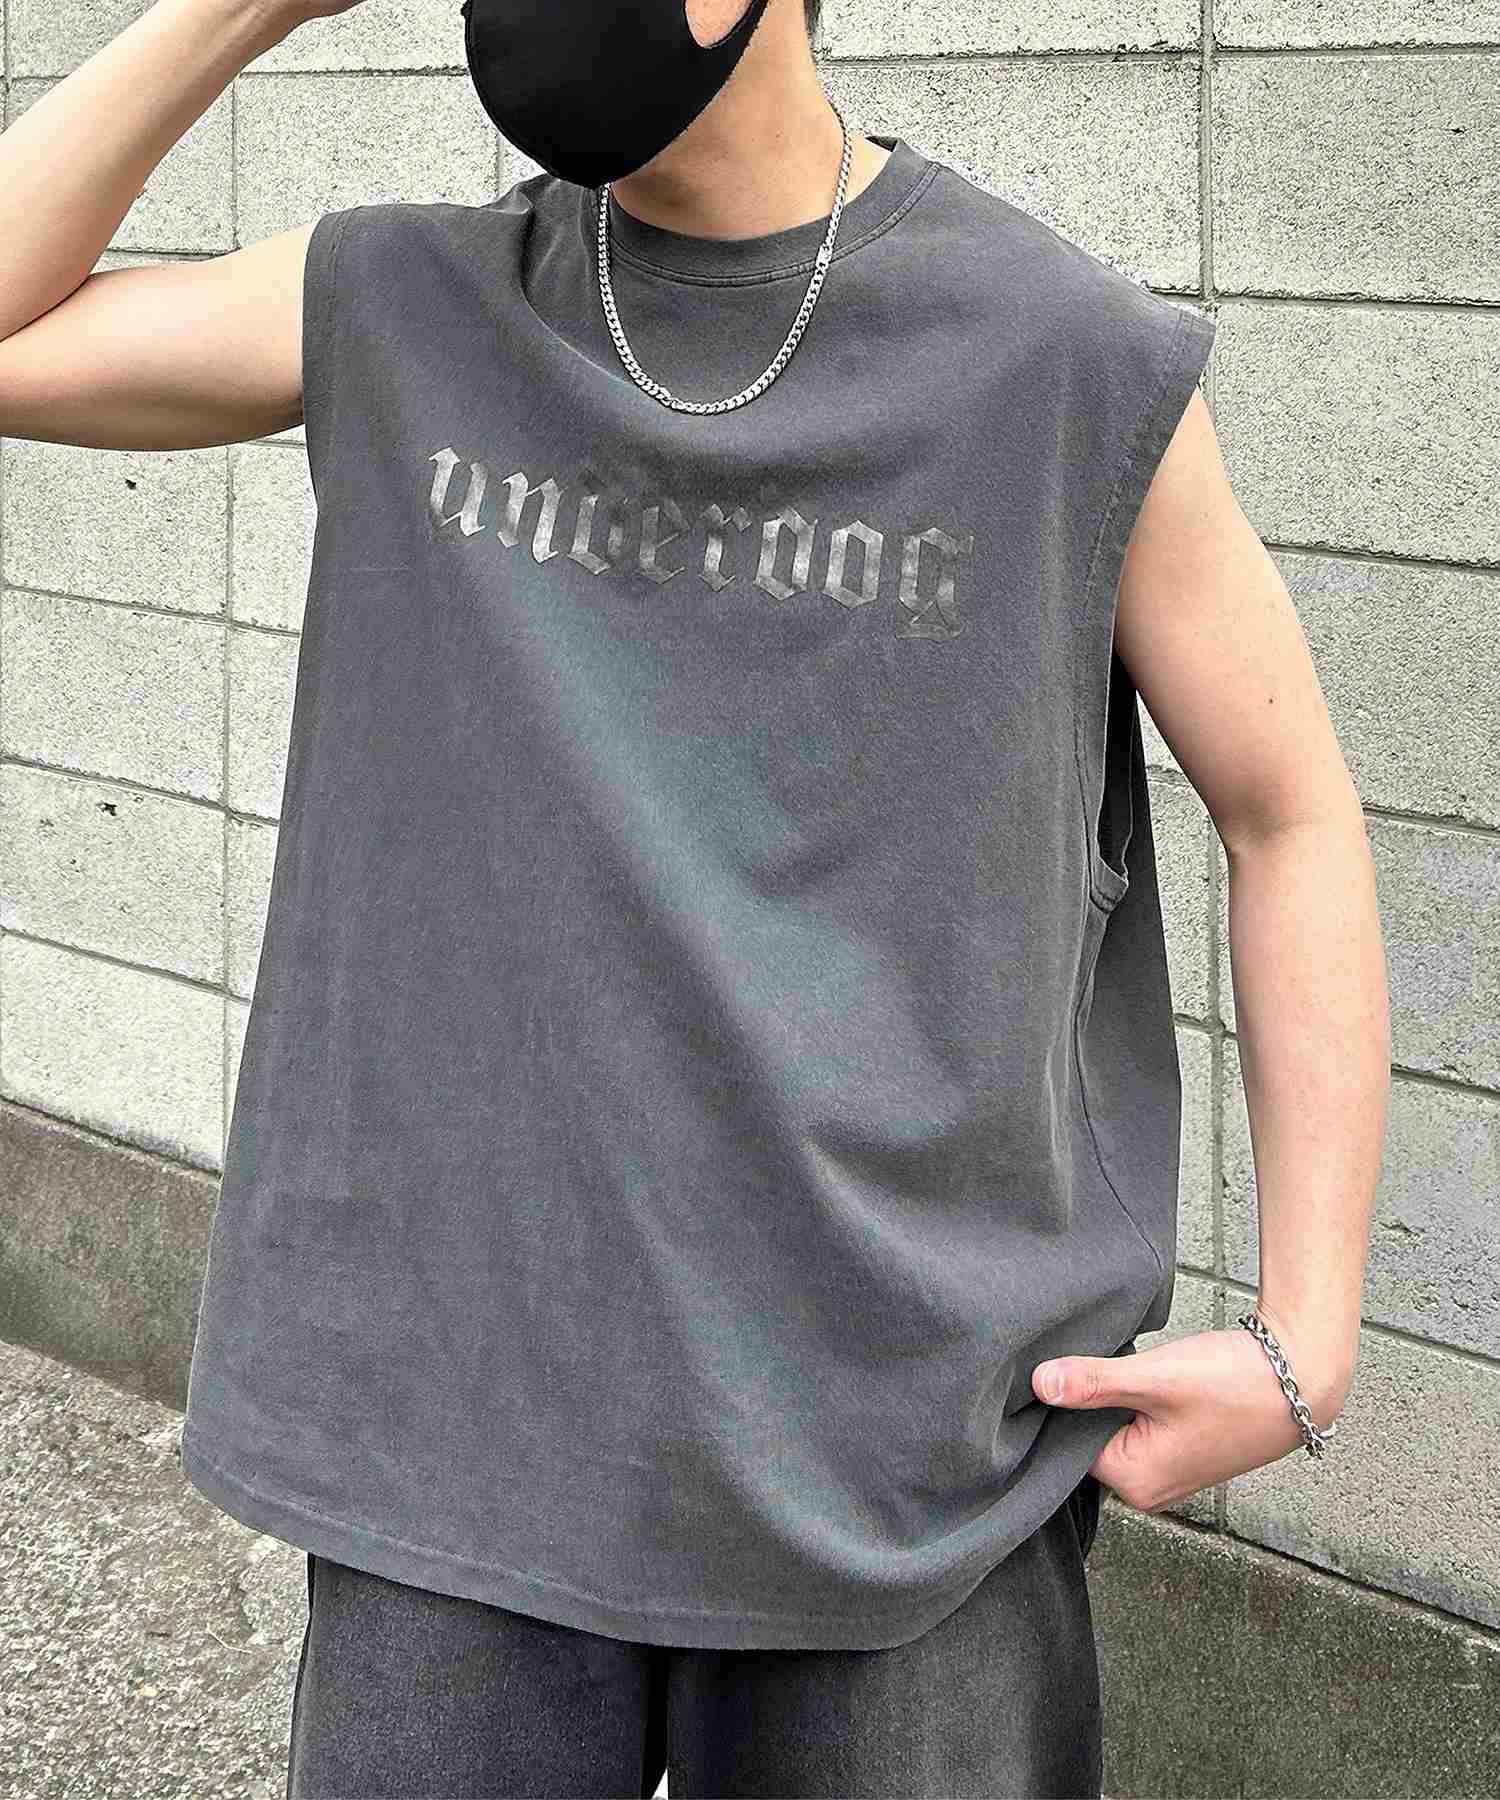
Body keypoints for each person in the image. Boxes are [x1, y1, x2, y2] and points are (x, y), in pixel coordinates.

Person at [0, 1, 1388, 1795]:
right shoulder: (409, 303)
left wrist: (1308, 1339)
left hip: (908, 1474)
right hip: (456, 1445)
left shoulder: (1057, 357)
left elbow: (1289, 815)